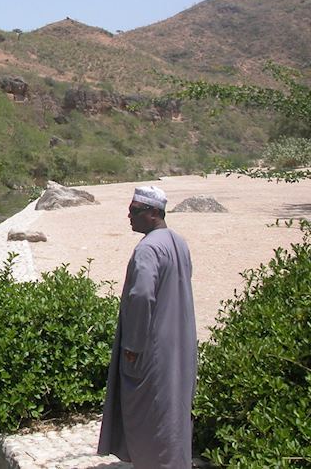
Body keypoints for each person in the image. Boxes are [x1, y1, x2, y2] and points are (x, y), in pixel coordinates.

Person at [97, 185, 198, 468]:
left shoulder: (148, 249)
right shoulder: (178, 242)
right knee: (173, 410)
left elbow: (141, 296)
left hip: (152, 349)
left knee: (150, 413)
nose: (129, 216)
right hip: (179, 344)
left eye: (134, 211)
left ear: (153, 213)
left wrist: (133, 345)